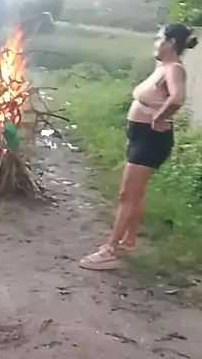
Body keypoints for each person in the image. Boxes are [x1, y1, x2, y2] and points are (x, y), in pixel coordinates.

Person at [80, 23, 198, 271]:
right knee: (136, 192)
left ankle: (109, 251)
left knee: (127, 194)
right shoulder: (162, 66)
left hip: (151, 140)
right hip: (140, 136)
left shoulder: (174, 69)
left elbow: (177, 98)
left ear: (170, 43)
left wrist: (159, 117)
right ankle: (129, 241)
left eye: (159, 38)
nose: (155, 43)